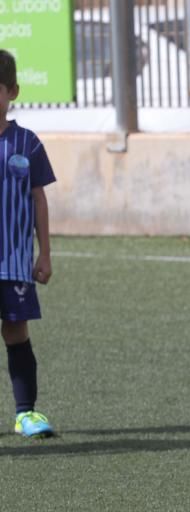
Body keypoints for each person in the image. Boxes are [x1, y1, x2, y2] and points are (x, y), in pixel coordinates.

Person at [0, 50, 56, 438]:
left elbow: (38, 198)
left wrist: (45, 253)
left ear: (12, 92)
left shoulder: (27, 142)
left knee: (16, 332)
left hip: (15, 263)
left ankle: (26, 413)